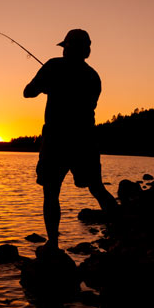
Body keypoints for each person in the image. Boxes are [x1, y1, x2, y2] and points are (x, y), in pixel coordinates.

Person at [24, 28, 118, 252]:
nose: (64, 50)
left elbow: (28, 92)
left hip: (56, 139)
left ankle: (53, 245)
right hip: (86, 140)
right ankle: (120, 231)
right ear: (87, 51)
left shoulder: (53, 66)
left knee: (51, 192)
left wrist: (46, 86)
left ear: (68, 47)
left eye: (65, 46)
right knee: (97, 188)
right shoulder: (93, 76)